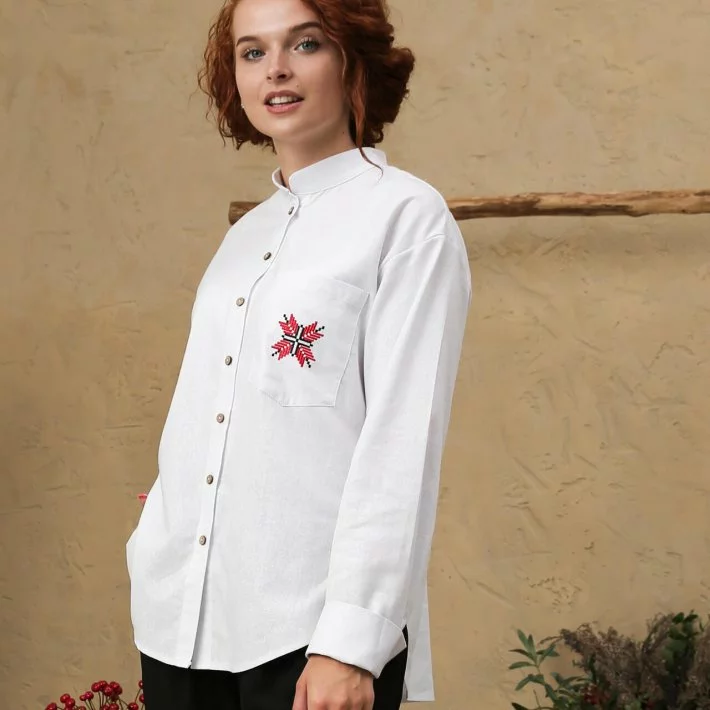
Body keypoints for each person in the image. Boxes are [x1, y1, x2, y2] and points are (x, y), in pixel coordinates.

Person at [125, 0, 472, 707]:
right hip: (181, 621)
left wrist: (351, 642)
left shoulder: (407, 218)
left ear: (352, 61)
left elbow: (401, 444)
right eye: (252, 52)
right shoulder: (243, 238)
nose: (275, 70)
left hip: (308, 632)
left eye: (305, 44)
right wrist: (160, 523)